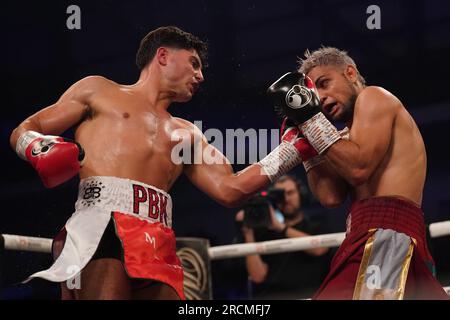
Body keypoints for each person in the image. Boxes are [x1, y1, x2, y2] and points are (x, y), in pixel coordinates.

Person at [9, 26, 313, 300]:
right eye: (194, 63)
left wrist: (291, 150)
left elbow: (231, 189)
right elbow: (27, 127)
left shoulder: (188, 134)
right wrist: (37, 146)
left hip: (158, 240)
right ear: (163, 56)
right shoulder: (99, 91)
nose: (201, 76)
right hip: (103, 226)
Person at [266, 47, 448, 299]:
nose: (320, 97)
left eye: (324, 83)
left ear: (350, 73)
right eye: (314, 94)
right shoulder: (342, 141)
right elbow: (330, 197)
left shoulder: (375, 97)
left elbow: (358, 168)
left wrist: (310, 120)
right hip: (367, 238)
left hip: (385, 236)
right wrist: (308, 149)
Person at [235, 175, 331, 299]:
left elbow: (319, 249)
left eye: (290, 193)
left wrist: (280, 227)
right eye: (279, 195)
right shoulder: (264, 233)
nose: (286, 199)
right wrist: (248, 232)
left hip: (311, 296)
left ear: (301, 194)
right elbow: (257, 276)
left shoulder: (317, 226)